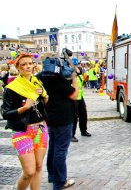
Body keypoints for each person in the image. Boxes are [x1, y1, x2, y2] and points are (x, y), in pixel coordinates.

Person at [1, 53, 49, 190]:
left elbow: (45, 103)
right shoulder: (11, 88)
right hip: (22, 131)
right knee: (29, 172)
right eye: (24, 64)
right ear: (18, 67)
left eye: (30, 63)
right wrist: (25, 108)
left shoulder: (37, 82)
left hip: (41, 128)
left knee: (39, 166)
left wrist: (44, 96)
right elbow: (5, 113)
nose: (28, 66)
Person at [36, 58, 79, 190]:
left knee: (54, 147)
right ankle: (59, 182)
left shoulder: (39, 77)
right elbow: (74, 95)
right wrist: (75, 80)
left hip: (49, 117)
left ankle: (52, 175)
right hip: (63, 118)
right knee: (60, 150)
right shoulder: (58, 78)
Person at [71, 66, 91, 142]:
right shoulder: (71, 77)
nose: (79, 70)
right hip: (74, 99)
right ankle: (72, 135)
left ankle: (83, 131)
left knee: (83, 115)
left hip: (80, 98)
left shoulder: (81, 76)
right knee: (74, 118)